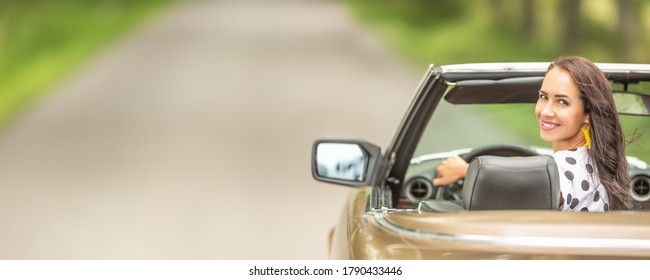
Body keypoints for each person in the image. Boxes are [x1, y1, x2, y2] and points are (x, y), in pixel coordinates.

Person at [432, 56, 633, 211]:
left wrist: (465, 171)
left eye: (562, 101)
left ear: (588, 113)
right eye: (543, 97)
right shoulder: (598, 164)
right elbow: (534, 173)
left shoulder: (563, 172)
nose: (545, 111)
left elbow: (535, 181)